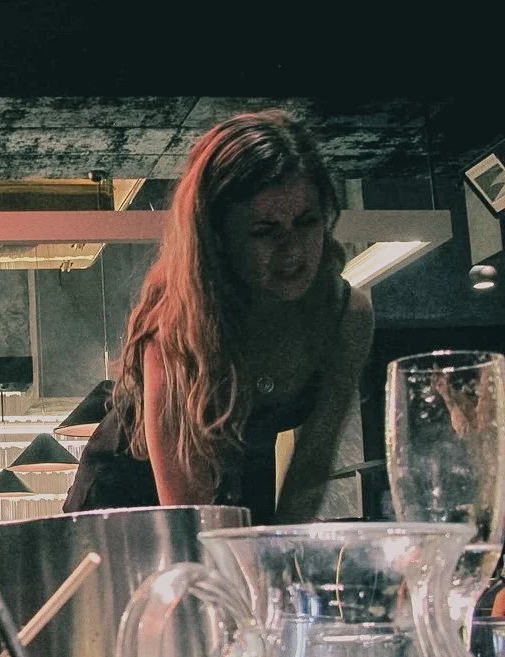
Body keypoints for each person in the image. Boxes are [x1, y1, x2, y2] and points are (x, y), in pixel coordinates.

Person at [63, 110, 374, 525]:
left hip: (237, 482)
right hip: (126, 501)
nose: (293, 250)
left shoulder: (347, 317)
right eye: (264, 231)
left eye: (306, 222)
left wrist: (281, 553)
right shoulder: (175, 330)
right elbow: (188, 510)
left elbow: (311, 467)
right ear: (219, 239)